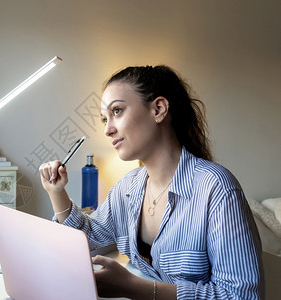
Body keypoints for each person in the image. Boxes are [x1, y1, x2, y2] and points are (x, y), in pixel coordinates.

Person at [39, 65, 263, 299]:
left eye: (117, 111)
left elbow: (241, 295)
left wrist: (132, 287)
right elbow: (89, 236)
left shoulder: (216, 188)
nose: (107, 129)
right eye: (104, 119)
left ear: (158, 109)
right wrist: (57, 192)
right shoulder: (128, 187)